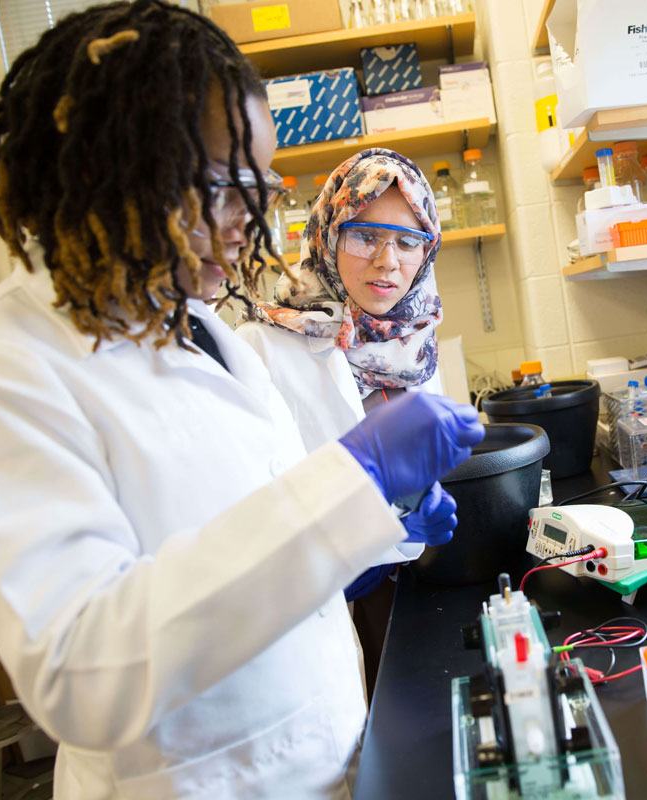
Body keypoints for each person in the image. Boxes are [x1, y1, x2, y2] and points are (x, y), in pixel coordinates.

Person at [0, 3, 483, 798]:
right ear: (117, 166)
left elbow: (248, 542)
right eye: (228, 186)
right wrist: (354, 476)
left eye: (259, 187)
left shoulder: (208, 330)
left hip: (332, 759)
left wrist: (375, 533)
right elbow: (85, 675)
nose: (252, 222)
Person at [237, 148, 449, 692]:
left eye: (408, 241)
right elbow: (247, 513)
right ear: (327, 234)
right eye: (365, 235)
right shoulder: (261, 348)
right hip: (311, 609)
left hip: (409, 595)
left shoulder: (417, 343)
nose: (388, 260)